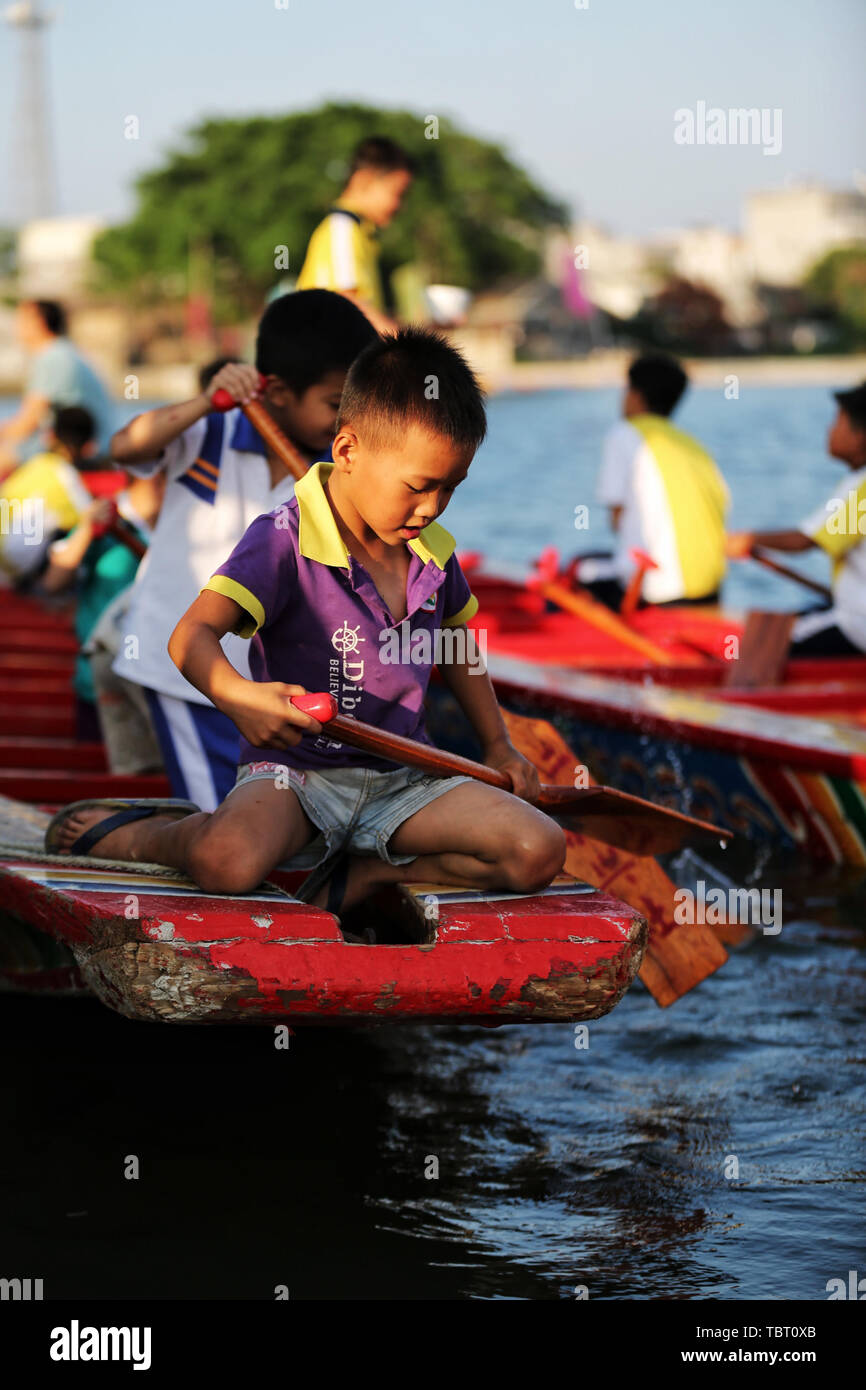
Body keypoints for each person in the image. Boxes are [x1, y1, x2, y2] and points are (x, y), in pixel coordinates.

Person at [49, 329, 566, 921]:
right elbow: (189, 635)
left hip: (405, 776)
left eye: (451, 488)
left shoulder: (433, 552)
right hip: (297, 776)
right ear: (346, 451)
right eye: (420, 486)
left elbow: (456, 644)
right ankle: (152, 835)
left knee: (537, 849)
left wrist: (499, 744)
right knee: (228, 863)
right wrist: (240, 697)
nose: (432, 508)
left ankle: (368, 871)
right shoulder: (282, 538)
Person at [107, 289, 378, 812]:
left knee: (265, 816)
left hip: (273, 684)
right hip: (184, 669)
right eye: (335, 407)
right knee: (216, 815)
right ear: (275, 390)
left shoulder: (343, 466)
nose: (347, 423)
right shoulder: (211, 429)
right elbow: (126, 447)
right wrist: (209, 400)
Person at [726, 382, 866, 656]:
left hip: (858, 624)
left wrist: (746, 539)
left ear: (861, 435)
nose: (829, 430)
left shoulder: (862, 488)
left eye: (838, 421)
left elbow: (806, 540)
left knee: (766, 645)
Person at [585, 352, 730, 609]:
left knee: (580, 568)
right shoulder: (695, 447)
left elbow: (617, 521)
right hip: (710, 590)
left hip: (657, 591)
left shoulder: (624, 433)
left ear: (635, 395)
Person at [41, 471, 163, 745]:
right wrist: (87, 527)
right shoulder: (104, 522)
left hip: (159, 684)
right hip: (101, 686)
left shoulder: (186, 526)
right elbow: (54, 581)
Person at [296, 136, 414, 335]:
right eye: (398, 193)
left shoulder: (358, 233)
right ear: (364, 180)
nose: (400, 205)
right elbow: (348, 301)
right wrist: (409, 346)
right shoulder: (342, 229)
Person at [0, 301, 115, 474]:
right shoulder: (62, 352)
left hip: (85, 450)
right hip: (82, 444)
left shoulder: (54, 357)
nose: (16, 326)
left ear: (39, 322)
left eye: (21, 319)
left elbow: (27, 423)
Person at [0, 404, 95, 583]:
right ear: (89, 447)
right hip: (17, 568)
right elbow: (90, 516)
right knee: (81, 531)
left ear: (50, 437)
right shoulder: (66, 476)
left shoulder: (32, 466)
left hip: (4, 567)